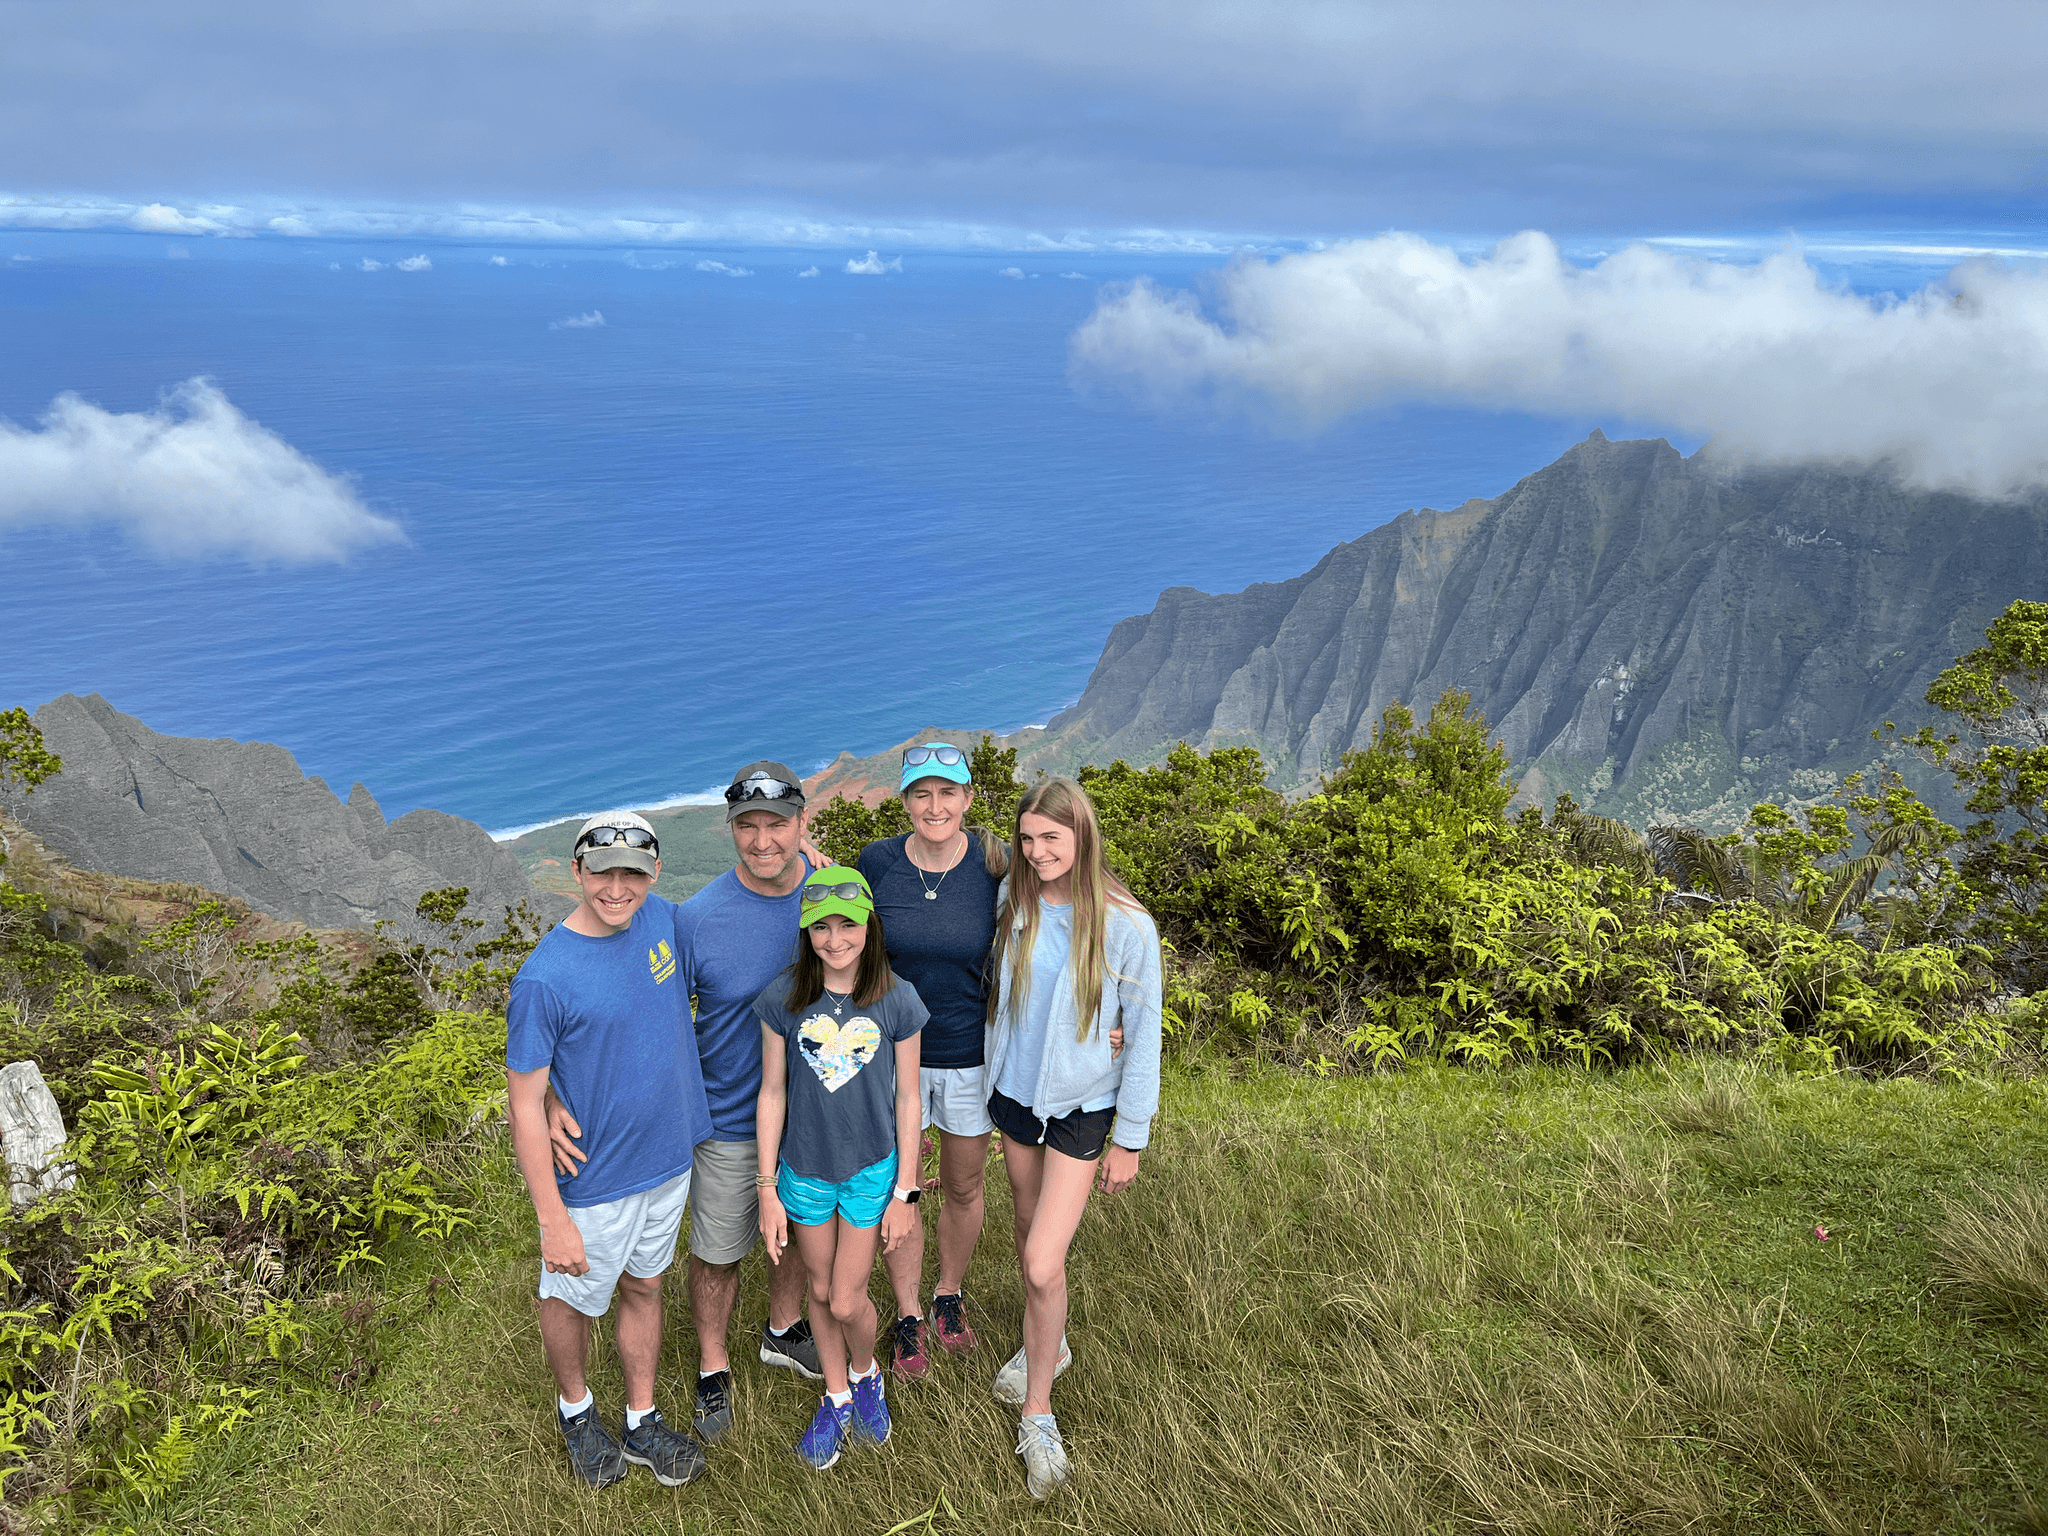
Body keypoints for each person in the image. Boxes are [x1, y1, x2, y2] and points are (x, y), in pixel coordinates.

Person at [546, 761, 828, 1447]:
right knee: (719, 1250)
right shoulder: (693, 917)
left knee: (805, 1225)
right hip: (730, 1113)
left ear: (802, 823)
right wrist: (552, 1088)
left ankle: (782, 1330)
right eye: (749, 827)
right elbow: (600, 976)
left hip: (821, 1110)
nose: (764, 842)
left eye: (778, 825)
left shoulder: (833, 892)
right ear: (730, 829)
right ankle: (712, 1364)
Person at [506, 811, 713, 1489]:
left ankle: (641, 1418)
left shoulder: (664, 922)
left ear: (654, 871)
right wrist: (551, 1220)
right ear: (577, 872)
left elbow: (754, 908)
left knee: (645, 1285)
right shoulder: (544, 977)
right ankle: (575, 1412)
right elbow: (522, 1099)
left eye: (632, 872)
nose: (617, 888)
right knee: (568, 1299)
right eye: (603, 872)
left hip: (667, 1160)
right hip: (593, 1180)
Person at [983, 777, 1162, 1500]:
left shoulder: (1126, 924)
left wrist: (1132, 1136)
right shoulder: (1015, 902)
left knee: (1040, 1260)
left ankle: (1039, 1413)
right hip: (1017, 1097)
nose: (1037, 851)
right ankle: (1046, 1346)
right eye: (1027, 840)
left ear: (1081, 836)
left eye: (1051, 838)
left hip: (1084, 1105)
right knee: (1028, 1234)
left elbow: (1143, 1035)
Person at [755, 868, 927, 1470]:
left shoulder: (896, 998)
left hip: (871, 1172)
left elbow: (910, 1098)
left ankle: (866, 1372)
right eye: (821, 927)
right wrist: (766, 1186)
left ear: (869, 926)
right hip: (802, 1172)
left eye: (847, 925)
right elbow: (771, 1093)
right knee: (819, 1290)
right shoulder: (783, 999)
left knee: (847, 1298)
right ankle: (835, 1397)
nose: (834, 939)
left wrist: (906, 1190)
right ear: (805, 933)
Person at [855, 742, 1007, 1381]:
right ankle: (909, 1313)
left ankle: (949, 1293)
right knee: (904, 1188)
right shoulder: (880, 862)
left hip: (971, 1054)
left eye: (948, 793)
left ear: (969, 799)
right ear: (906, 800)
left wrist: (1106, 1018)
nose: (935, 806)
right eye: (922, 793)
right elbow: (844, 939)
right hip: (896, 1059)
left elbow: (1058, 920)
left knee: (966, 1185)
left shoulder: (997, 862)